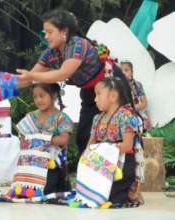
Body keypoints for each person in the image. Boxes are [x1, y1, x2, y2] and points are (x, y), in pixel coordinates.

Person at [16, 10, 133, 155]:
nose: (46, 36)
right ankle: (89, 173)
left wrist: (32, 75)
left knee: (120, 131)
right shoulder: (51, 53)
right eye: (44, 32)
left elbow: (63, 73)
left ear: (64, 31)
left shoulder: (77, 44)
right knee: (84, 136)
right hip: (90, 92)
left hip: (112, 86)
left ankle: (125, 174)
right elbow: (29, 77)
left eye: (49, 32)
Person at [88, 77, 143, 205]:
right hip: (101, 162)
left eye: (98, 94)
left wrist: (104, 149)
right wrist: (87, 157)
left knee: (112, 198)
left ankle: (130, 192)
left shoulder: (126, 115)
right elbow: (91, 142)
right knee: (92, 195)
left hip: (121, 164)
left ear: (113, 96)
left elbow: (128, 146)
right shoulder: (97, 118)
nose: (95, 99)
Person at [20, 83, 74, 194]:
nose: (38, 100)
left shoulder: (62, 117)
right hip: (31, 165)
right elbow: (23, 137)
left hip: (52, 166)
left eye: (42, 96)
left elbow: (64, 140)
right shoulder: (31, 116)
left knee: (45, 191)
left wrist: (42, 139)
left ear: (54, 95)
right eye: (35, 97)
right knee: (25, 191)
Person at [120, 61, 151, 131]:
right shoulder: (116, 85)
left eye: (126, 70)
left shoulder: (137, 85)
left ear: (132, 72)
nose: (124, 72)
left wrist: (133, 108)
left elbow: (144, 103)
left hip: (136, 112)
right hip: (121, 114)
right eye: (121, 71)